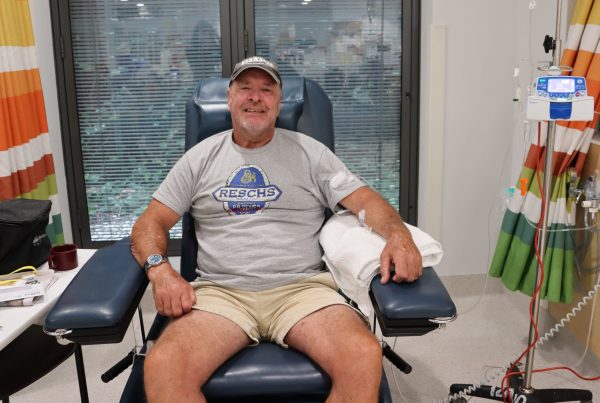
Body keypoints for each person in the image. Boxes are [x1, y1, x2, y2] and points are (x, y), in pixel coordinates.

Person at [131, 56, 423, 403]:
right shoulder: (200, 158)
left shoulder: (311, 154)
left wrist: (399, 237)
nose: (255, 97)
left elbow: (365, 201)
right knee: (164, 366)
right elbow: (151, 222)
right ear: (229, 98)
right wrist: (160, 271)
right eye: (246, 88)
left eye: (266, 90)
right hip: (221, 293)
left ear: (279, 102)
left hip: (303, 291)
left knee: (362, 355)